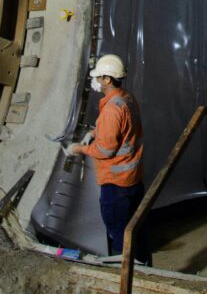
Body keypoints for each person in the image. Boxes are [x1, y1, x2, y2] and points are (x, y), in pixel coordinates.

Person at [67, 54, 151, 264]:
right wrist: (95, 132)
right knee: (138, 234)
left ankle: (124, 279)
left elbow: (106, 151)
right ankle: (149, 272)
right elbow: (124, 130)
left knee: (119, 237)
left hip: (116, 185)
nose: (95, 81)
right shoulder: (127, 99)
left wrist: (79, 148)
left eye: (98, 77)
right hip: (133, 180)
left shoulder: (112, 109)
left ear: (107, 79)